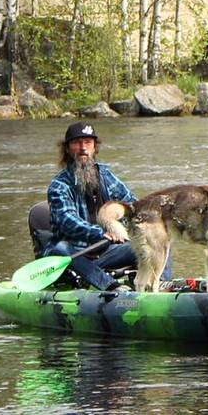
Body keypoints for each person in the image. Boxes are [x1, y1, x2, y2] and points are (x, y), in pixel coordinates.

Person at [43, 121, 169, 291]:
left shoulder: (105, 175)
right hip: (76, 255)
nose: (83, 148)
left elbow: (131, 205)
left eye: (88, 142)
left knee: (156, 239)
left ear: (95, 147)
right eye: (77, 143)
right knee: (60, 248)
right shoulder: (59, 185)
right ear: (67, 149)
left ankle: (161, 285)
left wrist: (146, 224)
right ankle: (111, 287)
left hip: (107, 253)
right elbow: (67, 222)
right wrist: (101, 233)